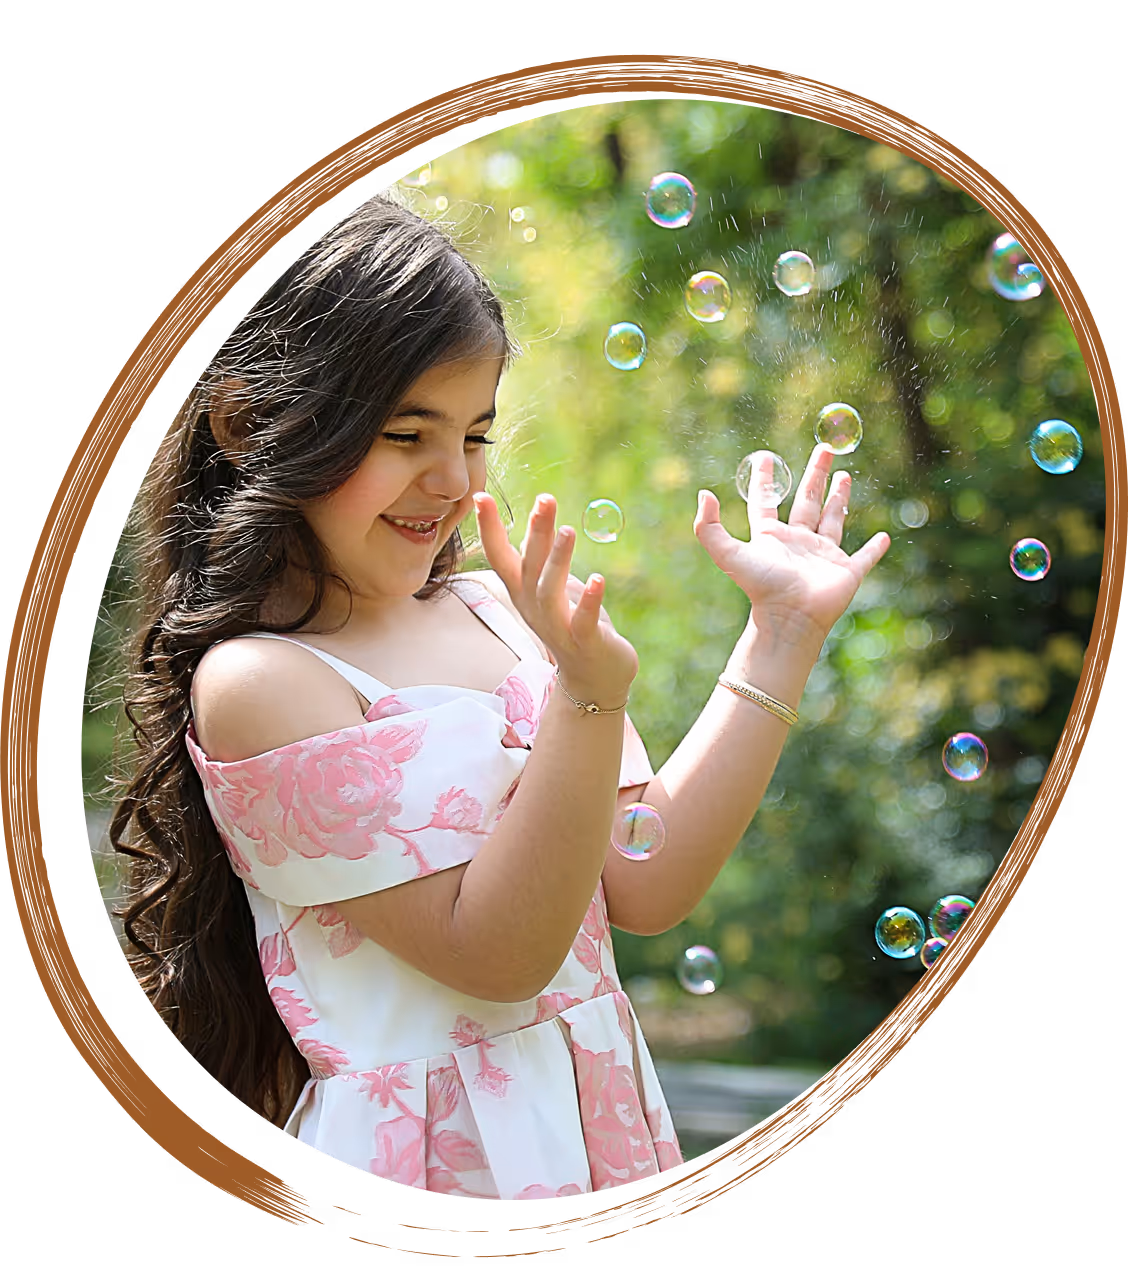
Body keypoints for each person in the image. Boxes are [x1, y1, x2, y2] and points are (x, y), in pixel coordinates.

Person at [112, 190, 890, 1200]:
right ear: (254, 419)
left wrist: (779, 637)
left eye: (474, 434)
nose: (450, 477)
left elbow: (644, 879)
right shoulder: (265, 680)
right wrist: (587, 701)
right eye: (405, 433)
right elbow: (502, 951)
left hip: (595, 1123)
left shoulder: (496, 609)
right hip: (433, 1159)